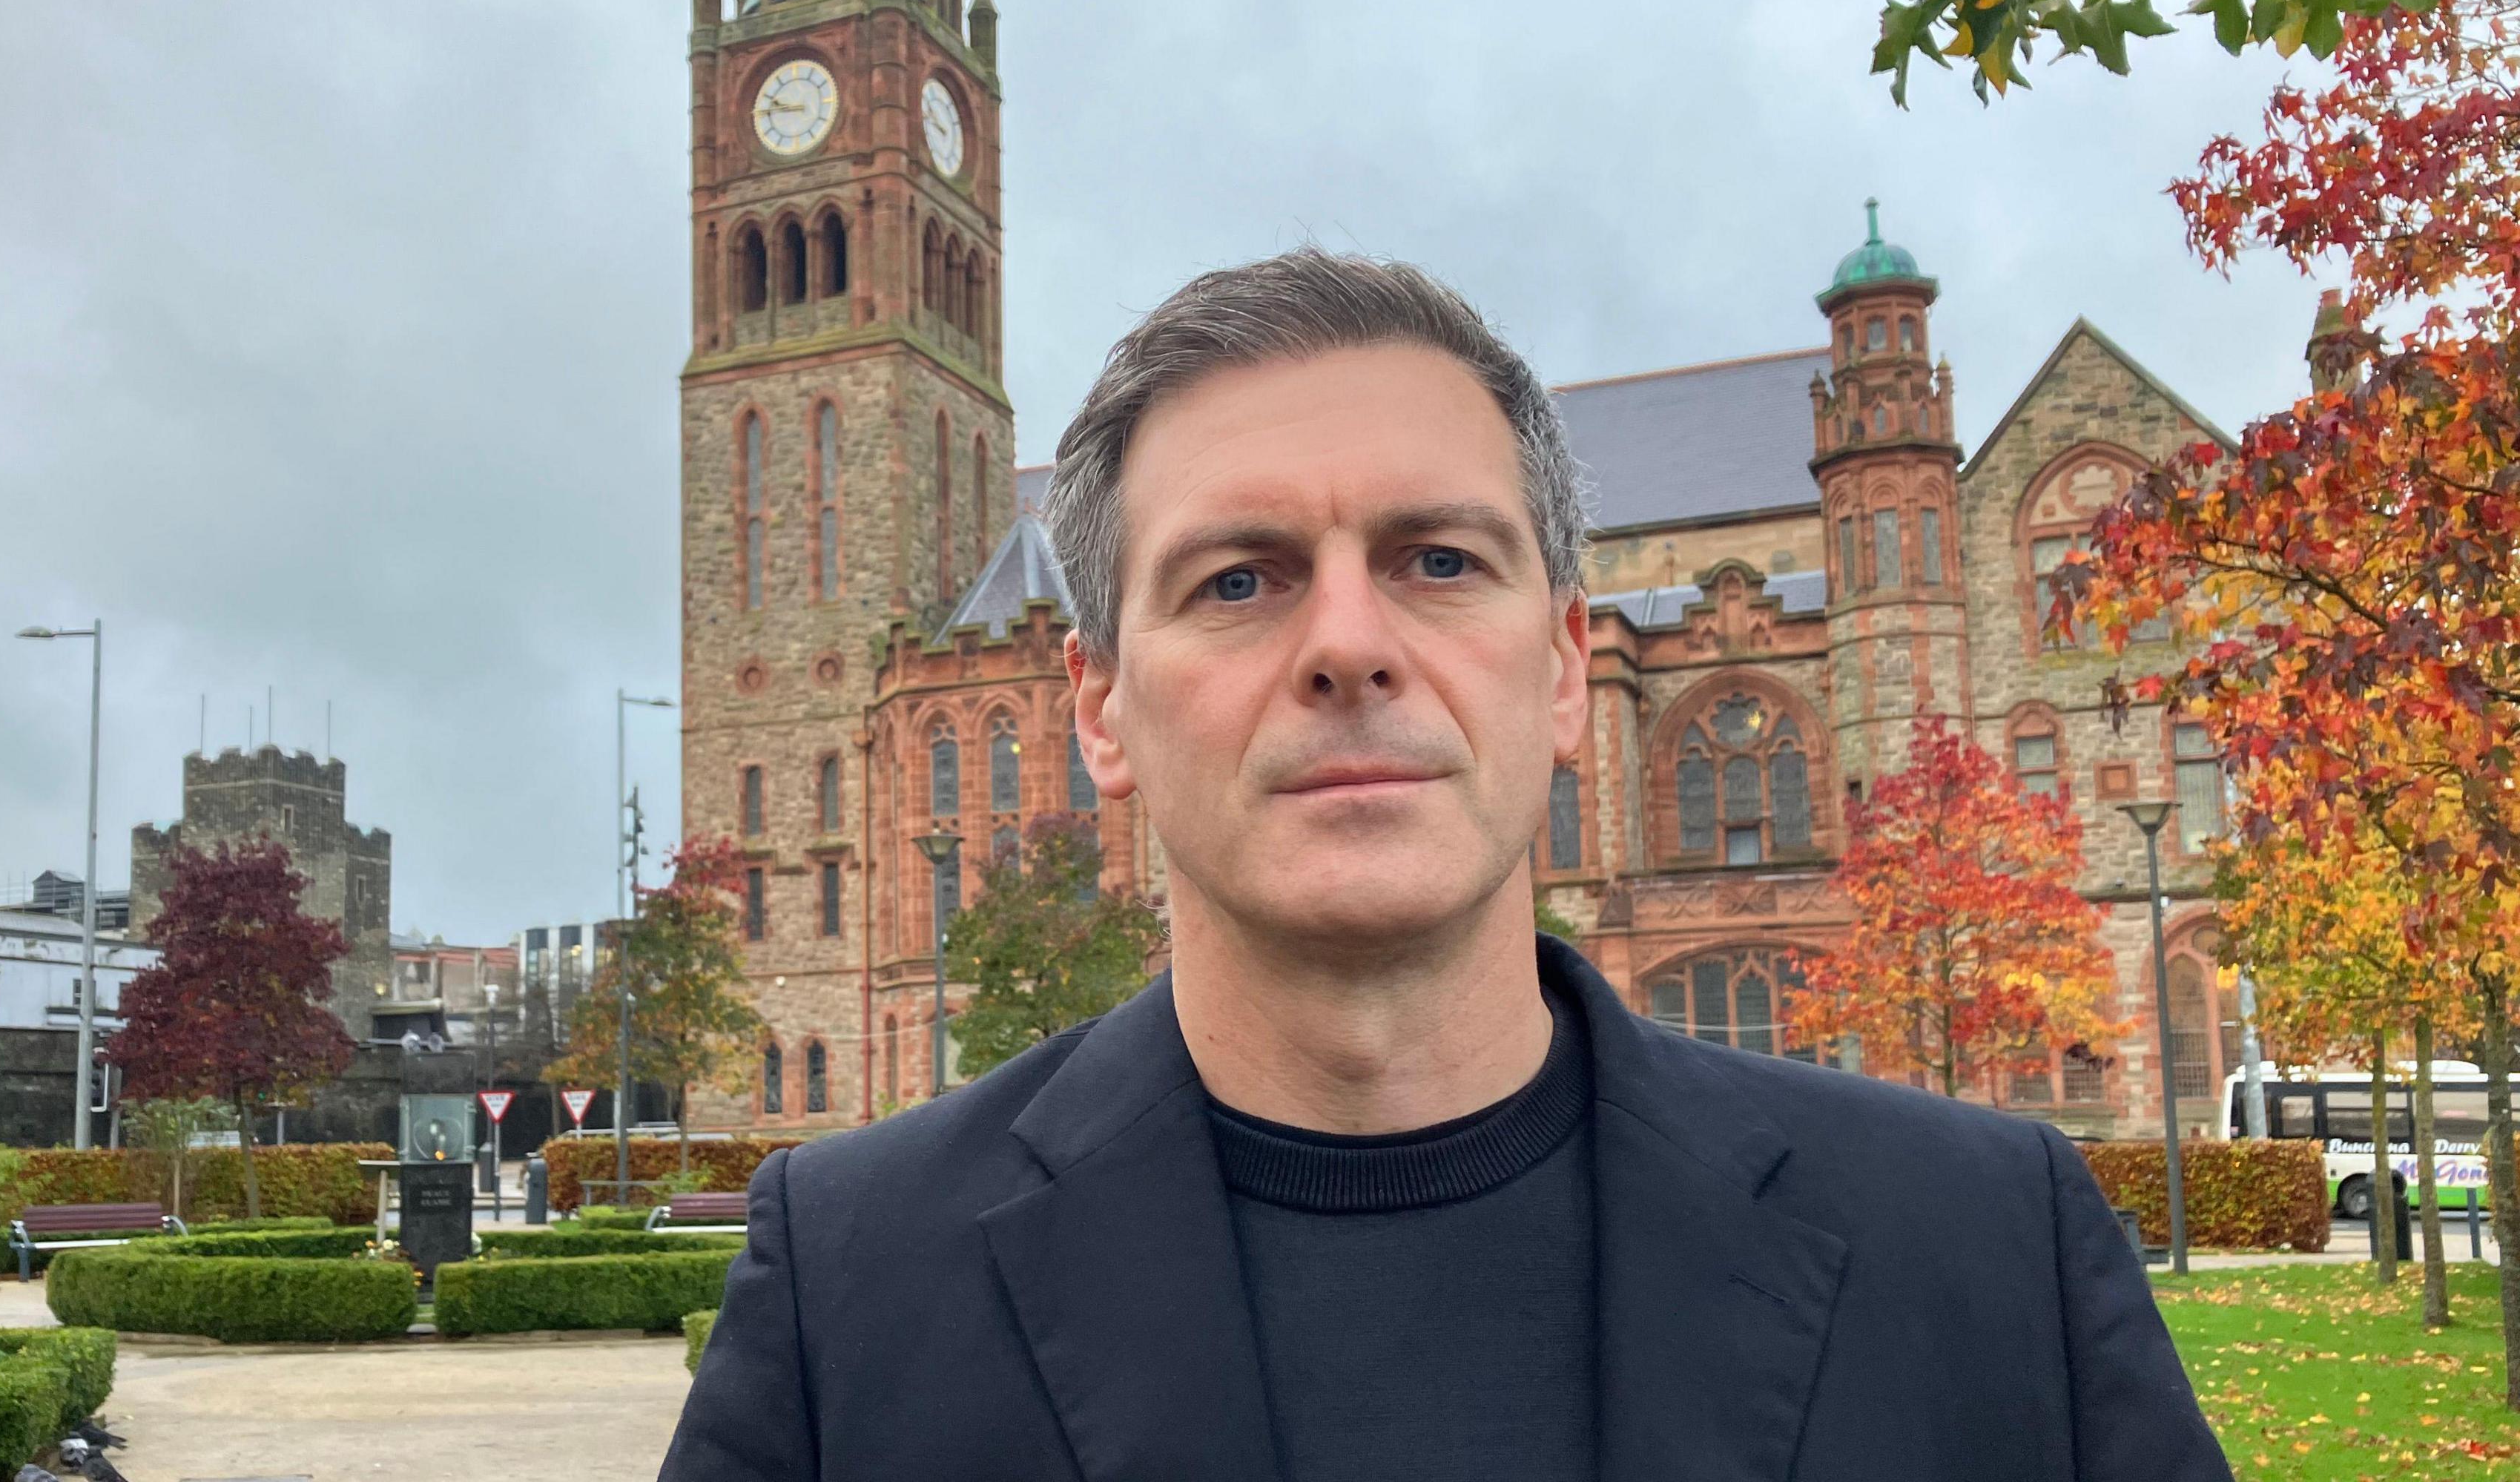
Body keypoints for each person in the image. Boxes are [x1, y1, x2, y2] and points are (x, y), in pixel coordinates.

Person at [662, 249, 2230, 1481]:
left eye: (1438, 561)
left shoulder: (1988, 1245)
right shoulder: (848, 1286)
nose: (1349, 645)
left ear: (1565, 671)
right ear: (1100, 710)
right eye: (1237, 578)